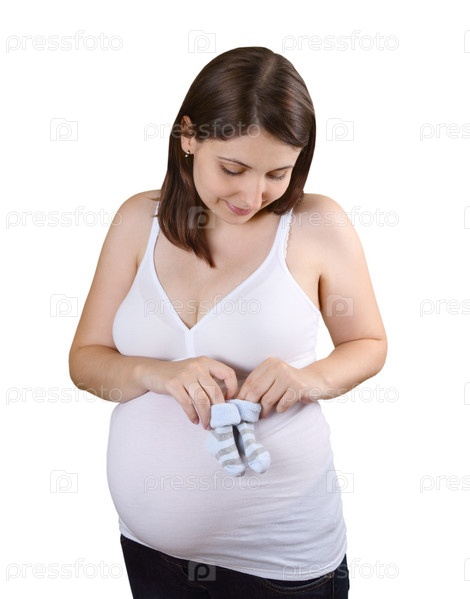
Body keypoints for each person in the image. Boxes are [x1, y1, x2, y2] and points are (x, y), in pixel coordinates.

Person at [69, 46, 387, 598]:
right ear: (188, 136)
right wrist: (154, 373)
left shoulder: (317, 224)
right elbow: (85, 360)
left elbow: (369, 342)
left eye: (278, 174)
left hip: (280, 563)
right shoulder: (137, 220)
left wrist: (309, 379)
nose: (252, 195)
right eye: (233, 169)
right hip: (149, 553)